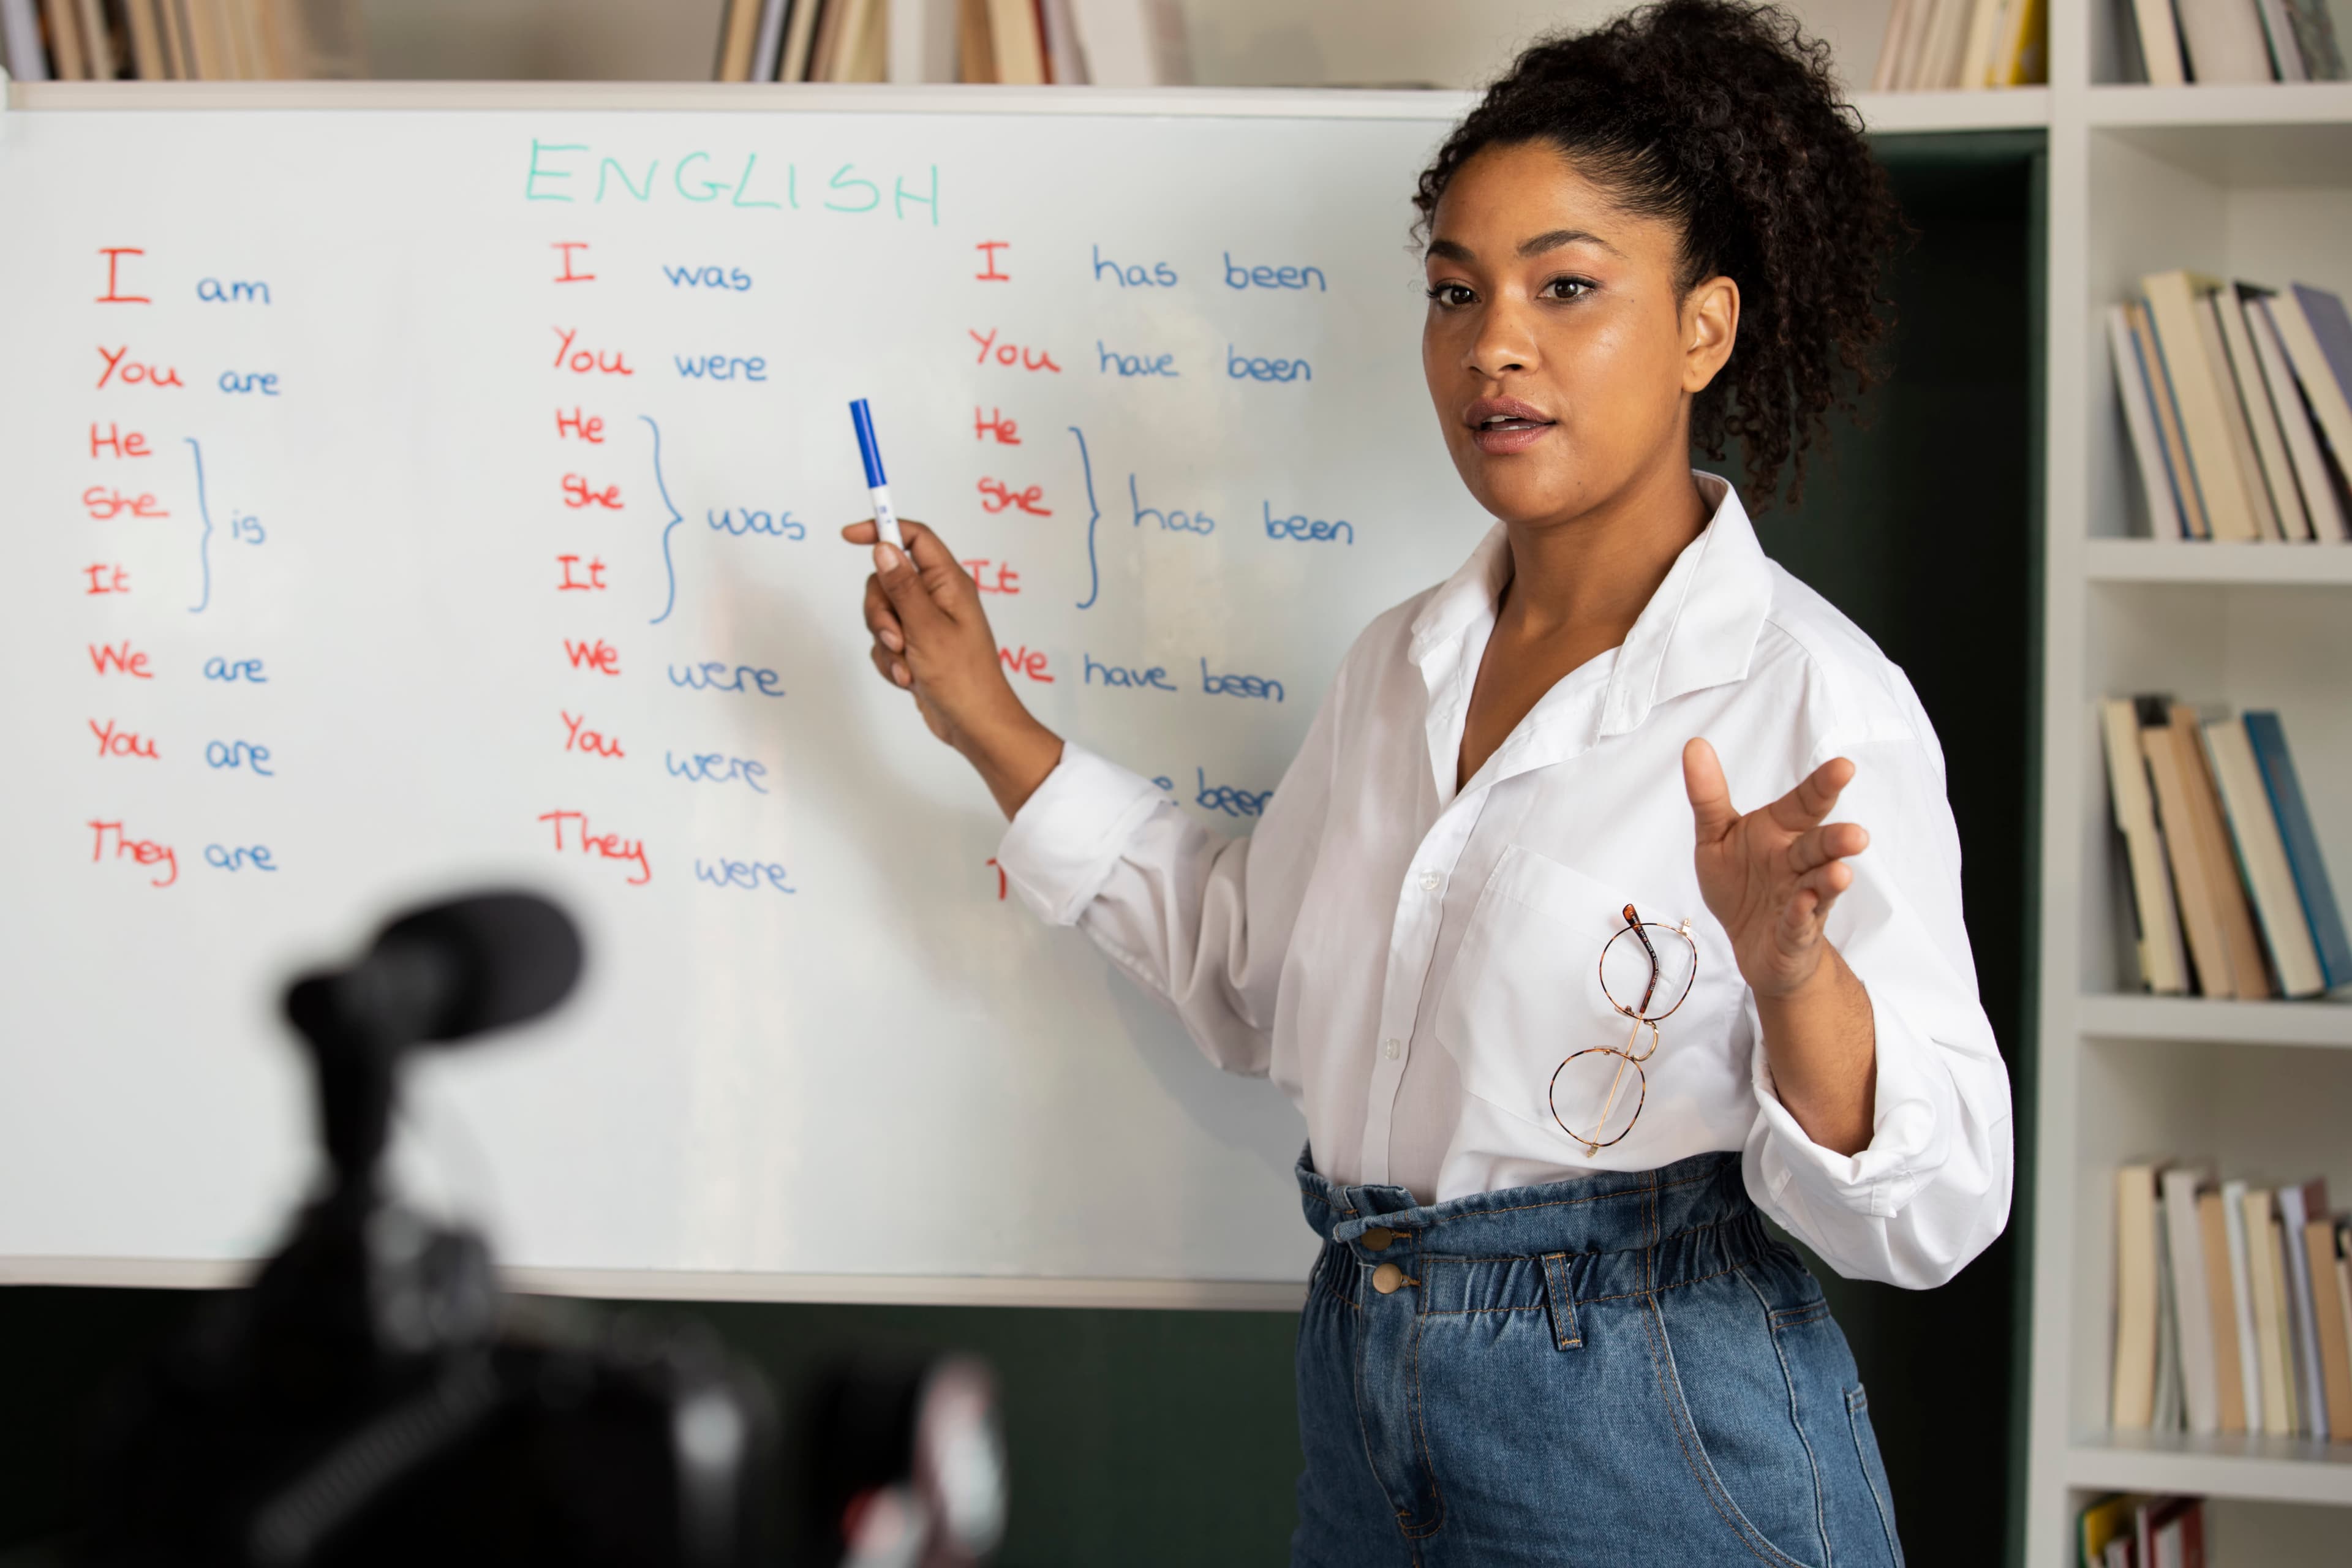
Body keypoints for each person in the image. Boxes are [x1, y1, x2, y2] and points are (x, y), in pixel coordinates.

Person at [842, 2, 2011, 1560]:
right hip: (1368, 1393)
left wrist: (1793, 973)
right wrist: (983, 713)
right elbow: (1248, 967)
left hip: (1654, 1422)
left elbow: (1940, 1210)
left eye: (1567, 287)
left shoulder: (1812, 694)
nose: (1494, 344)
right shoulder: (1403, 666)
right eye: (1456, 292)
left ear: (1704, 330)